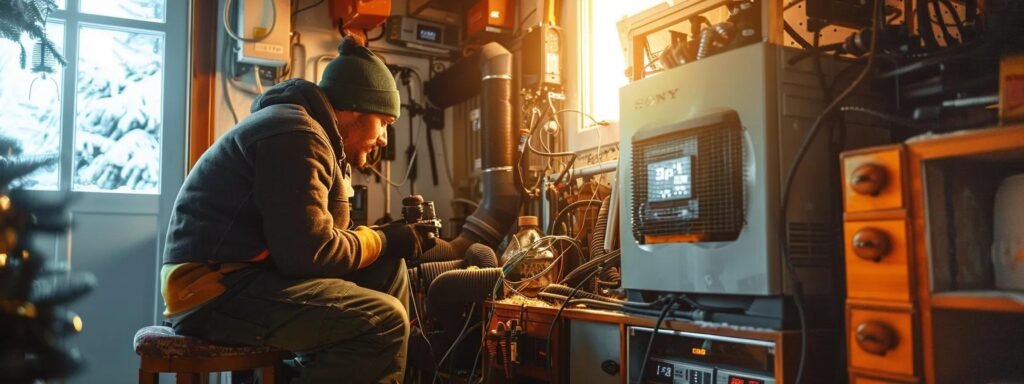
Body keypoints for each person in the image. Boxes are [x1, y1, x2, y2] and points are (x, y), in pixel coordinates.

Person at [160, 37, 428, 383]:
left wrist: (383, 246)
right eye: (384, 123)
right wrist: (383, 239)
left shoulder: (313, 135)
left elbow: (325, 242)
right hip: (213, 291)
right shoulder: (295, 134)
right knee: (381, 320)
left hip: (245, 276)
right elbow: (308, 254)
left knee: (388, 270)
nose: (384, 140)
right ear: (354, 110)